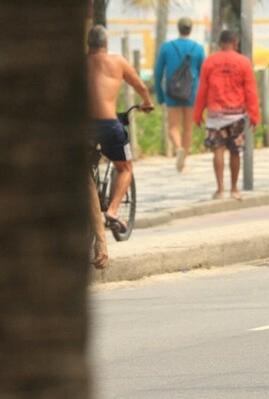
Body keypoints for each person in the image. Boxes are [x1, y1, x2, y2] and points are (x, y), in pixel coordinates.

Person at [86, 25, 154, 268]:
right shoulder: (117, 61)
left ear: (89, 44)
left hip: (83, 126)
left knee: (86, 174)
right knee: (125, 167)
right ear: (106, 43)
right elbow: (141, 87)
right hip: (108, 124)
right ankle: (113, 211)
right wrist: (146, 103)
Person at [193, 30, 261, 201]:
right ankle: (234, 189)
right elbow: (250, 90)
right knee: (235, 151)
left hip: (215, 114)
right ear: (235, 42)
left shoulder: (210, 62)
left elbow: (202, 90)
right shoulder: (243, 62)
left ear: (219, 43)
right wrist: (254, 115)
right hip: (236, 115)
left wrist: (197, 113)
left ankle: (220, 189)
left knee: (218, 150)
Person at [154, 17, 205, 172]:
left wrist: (160, 95)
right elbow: (204, 74)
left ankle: (178, 149)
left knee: (173, 127)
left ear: (178, 28)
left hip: (172, 92)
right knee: (188, 128)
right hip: (191, 93)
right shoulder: (199, 48)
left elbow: (157, 73)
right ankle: (184, 163)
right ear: (190, 29)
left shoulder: (167, 47)